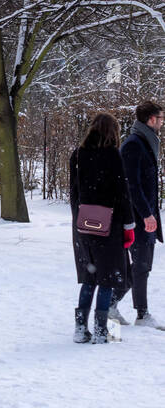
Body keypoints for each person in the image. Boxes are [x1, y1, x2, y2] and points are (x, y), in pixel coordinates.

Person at [70, 112, 135, 343]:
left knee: (89, 278)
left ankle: (80, 329)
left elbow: (74, 193)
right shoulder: (112, 156)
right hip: (109, 226)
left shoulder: (78, 155)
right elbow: (122, 192)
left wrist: (78, 220)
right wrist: (129, 222)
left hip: (84, 225)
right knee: (107, 279)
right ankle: (100, 331)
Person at [113, 101, 164, 328]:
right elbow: (131, 185)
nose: (162, 123)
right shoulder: (134, 144)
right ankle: (139, 313)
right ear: (151, 119)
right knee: (140, 265)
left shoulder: (146, 142)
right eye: (161, 119)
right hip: (136, 218)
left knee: (142, 265)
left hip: (146, 216)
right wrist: (146, 215)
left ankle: (113, 306)